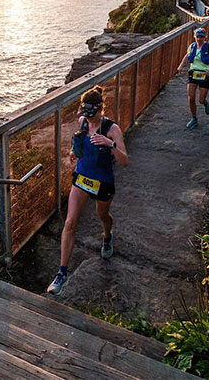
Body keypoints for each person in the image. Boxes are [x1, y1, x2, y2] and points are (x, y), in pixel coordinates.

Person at [47, 86, 129, 295]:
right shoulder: (83, 122)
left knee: (102, 215)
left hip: (102, 181)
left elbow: (125, 161)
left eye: (92, 115)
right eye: (85, 115)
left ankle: (108, 235)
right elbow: (78, 148)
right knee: (70, 221)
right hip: (82, 177)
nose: (88, 119)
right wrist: (73, 154)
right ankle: (62, 273)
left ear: (101, 109)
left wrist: (110, 144)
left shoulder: (112, 129)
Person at [176, 28, 209, 129]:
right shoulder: (192, 46)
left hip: (205, 74)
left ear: (205, 37)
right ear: (195, 37)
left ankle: (205, 103)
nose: (199, 39)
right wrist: (181, 66)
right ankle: (194, 118)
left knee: (201, 99)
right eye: (197, 37)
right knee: (191, 97)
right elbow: (187, 56)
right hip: (193, 73)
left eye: (201, 37)